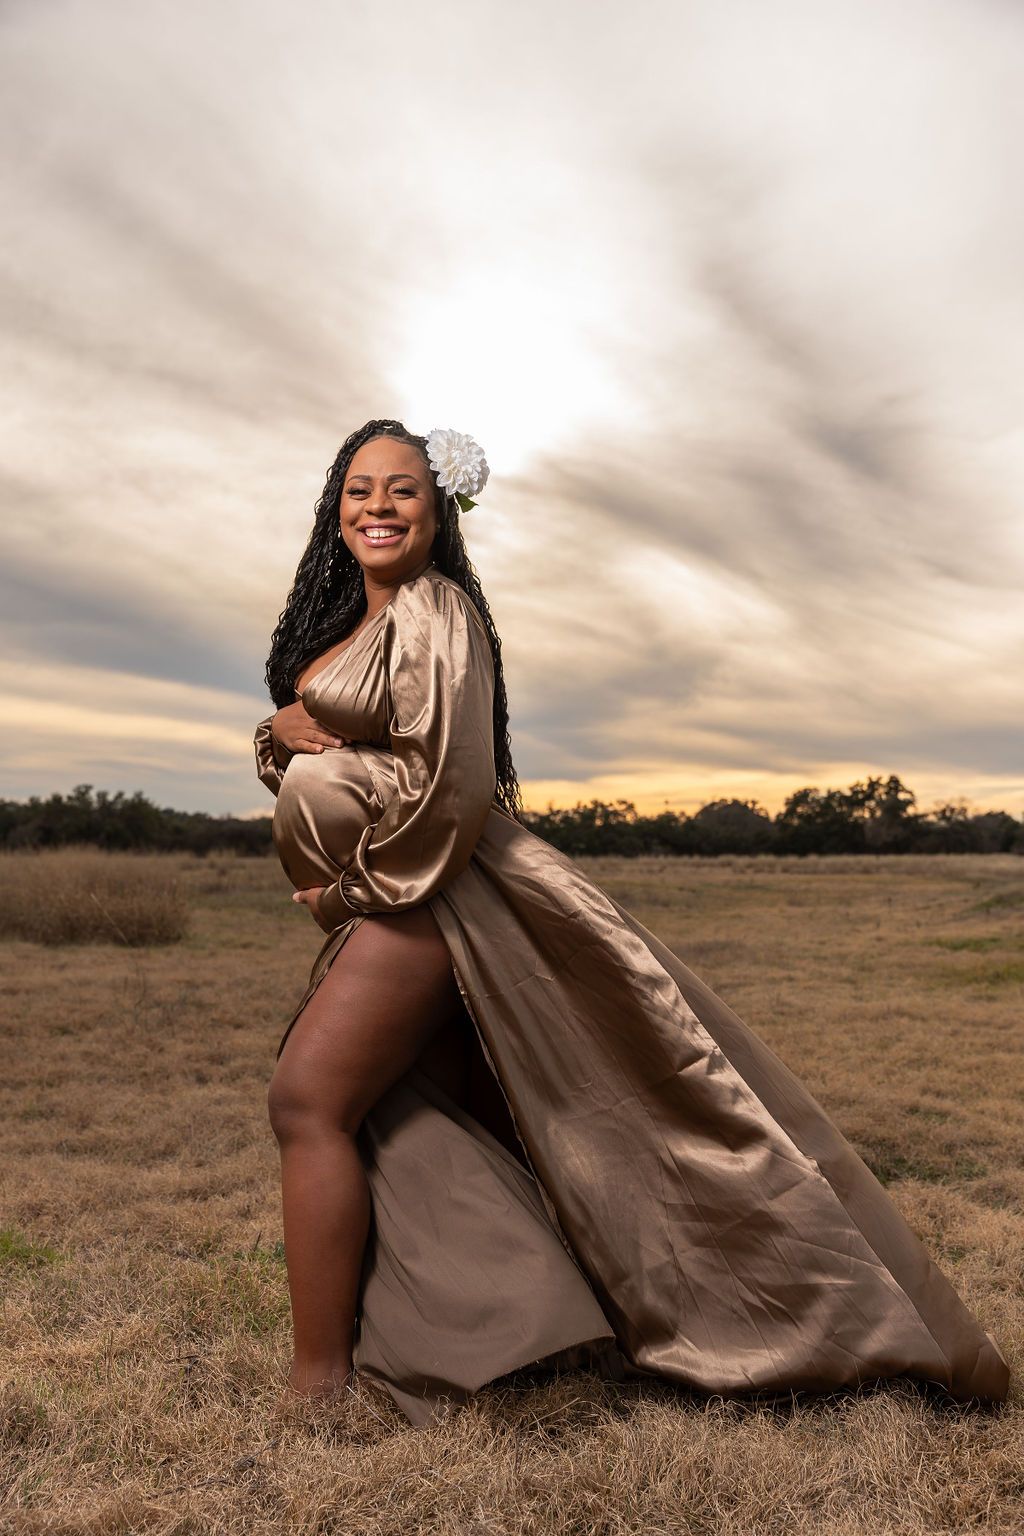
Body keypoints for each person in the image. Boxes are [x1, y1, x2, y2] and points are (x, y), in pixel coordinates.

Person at [253, 418, 1010, 1427]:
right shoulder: (354, 622)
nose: (377, 506)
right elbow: (324, 757)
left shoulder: (438, 611)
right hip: (391, 895)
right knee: (447, 1116)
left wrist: (347, 892)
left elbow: (452, 784)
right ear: (333, 507)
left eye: (402, 489)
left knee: (309, 1102)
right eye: (358, 489)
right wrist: (280, 733)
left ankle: (318, 1388)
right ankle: (521, 1330)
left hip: (428, 897)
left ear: (441, 512)